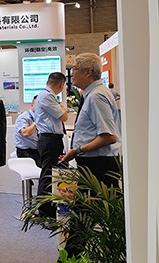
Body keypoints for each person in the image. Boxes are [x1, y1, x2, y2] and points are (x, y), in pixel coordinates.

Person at [60, 53, 121, 188]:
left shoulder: (96, 96)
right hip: (95, 163)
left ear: (87, 72)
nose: (72, 74)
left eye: (74, 69)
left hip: (99, 165)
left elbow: (109, 137)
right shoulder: (94, 94)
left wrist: (78, 150)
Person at [34, 72, 68, 218]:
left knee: (50, 173)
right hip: (49, 140)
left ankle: (48, 208)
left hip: (51, 139)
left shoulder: (48, 96)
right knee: (48, 174)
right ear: (61, 84)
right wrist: (62, 108)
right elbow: (64, 116)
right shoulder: (47, 96)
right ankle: (44, 210)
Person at [14, 95, 41, 167]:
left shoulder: (42, 118)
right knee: (46, 168)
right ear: (32, 105)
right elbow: (25, 133)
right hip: (26, 152)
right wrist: (36, 122)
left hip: (38, 151)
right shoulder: (24, 117)